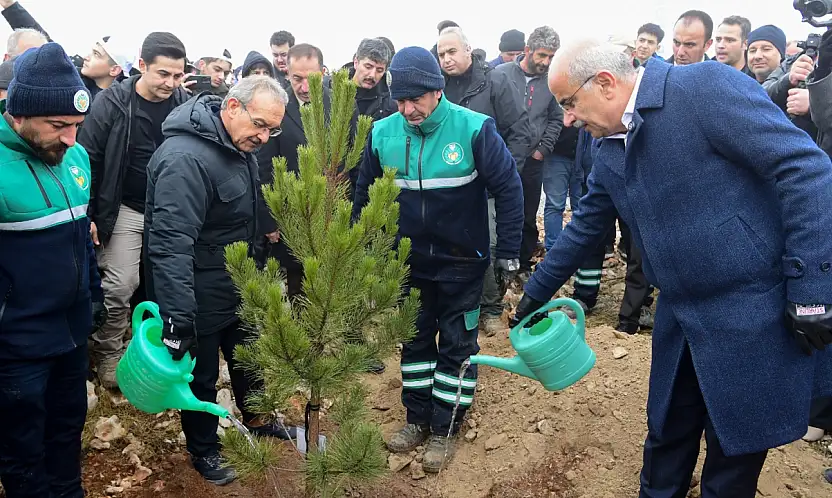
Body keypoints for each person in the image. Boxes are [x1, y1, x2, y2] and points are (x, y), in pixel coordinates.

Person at [513, 39, 832, 497]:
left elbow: (805, 168)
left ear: (604, 83)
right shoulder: (610, 147)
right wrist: (535, 293)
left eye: (568, 102)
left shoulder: (703, 89)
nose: (567, 118)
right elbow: (585, 223)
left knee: (733, 455)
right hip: (680, 317)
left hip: (748, 313)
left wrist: (812, 287)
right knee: (666, 434)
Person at [352, 46, 523, 473]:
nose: (408, 109)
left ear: (438, 90)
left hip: (462, 263)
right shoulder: (382, 134)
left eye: (417, 99)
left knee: (457, 347)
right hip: (407, 263)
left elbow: (509, 190)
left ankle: (446, 426)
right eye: (401, 100)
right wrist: (361, 251)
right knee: (414, 344)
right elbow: (363, 197)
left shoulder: (474, 129)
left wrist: (507, 254)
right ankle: (417, 419)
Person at [145, 75, 288, 486]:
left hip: (236, 280)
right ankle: (204, 449)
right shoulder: (184, 159)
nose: (264, 136)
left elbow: (248, 211)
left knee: (247, 358)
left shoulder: (238, 145)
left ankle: (258, 418)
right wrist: (177, 315)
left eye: (272, 129)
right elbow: (171, 245)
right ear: (231, 108)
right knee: (201, 375)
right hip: (195, 288)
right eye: (260, 124)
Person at [0, 42, 106, 498]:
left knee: (66, 432)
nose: (71, 140)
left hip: (71, 332)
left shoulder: (74, 158)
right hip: (17, 344)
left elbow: (82, 237)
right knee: (21, 447)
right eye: (59, 126)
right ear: (18, 115)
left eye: (77, 127)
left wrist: (94, 299)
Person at [78, 32, 191, 389]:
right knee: (121, 283)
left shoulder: (186, 104)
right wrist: (92, 213)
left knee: (165, 286)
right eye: (162, 74)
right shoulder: (111, 103)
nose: (170, 83)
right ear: (141, 66)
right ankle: (108, 353)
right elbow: (88, 158)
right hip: (123, 206)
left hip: (170, 211)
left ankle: (154, 353)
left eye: (177, 75)